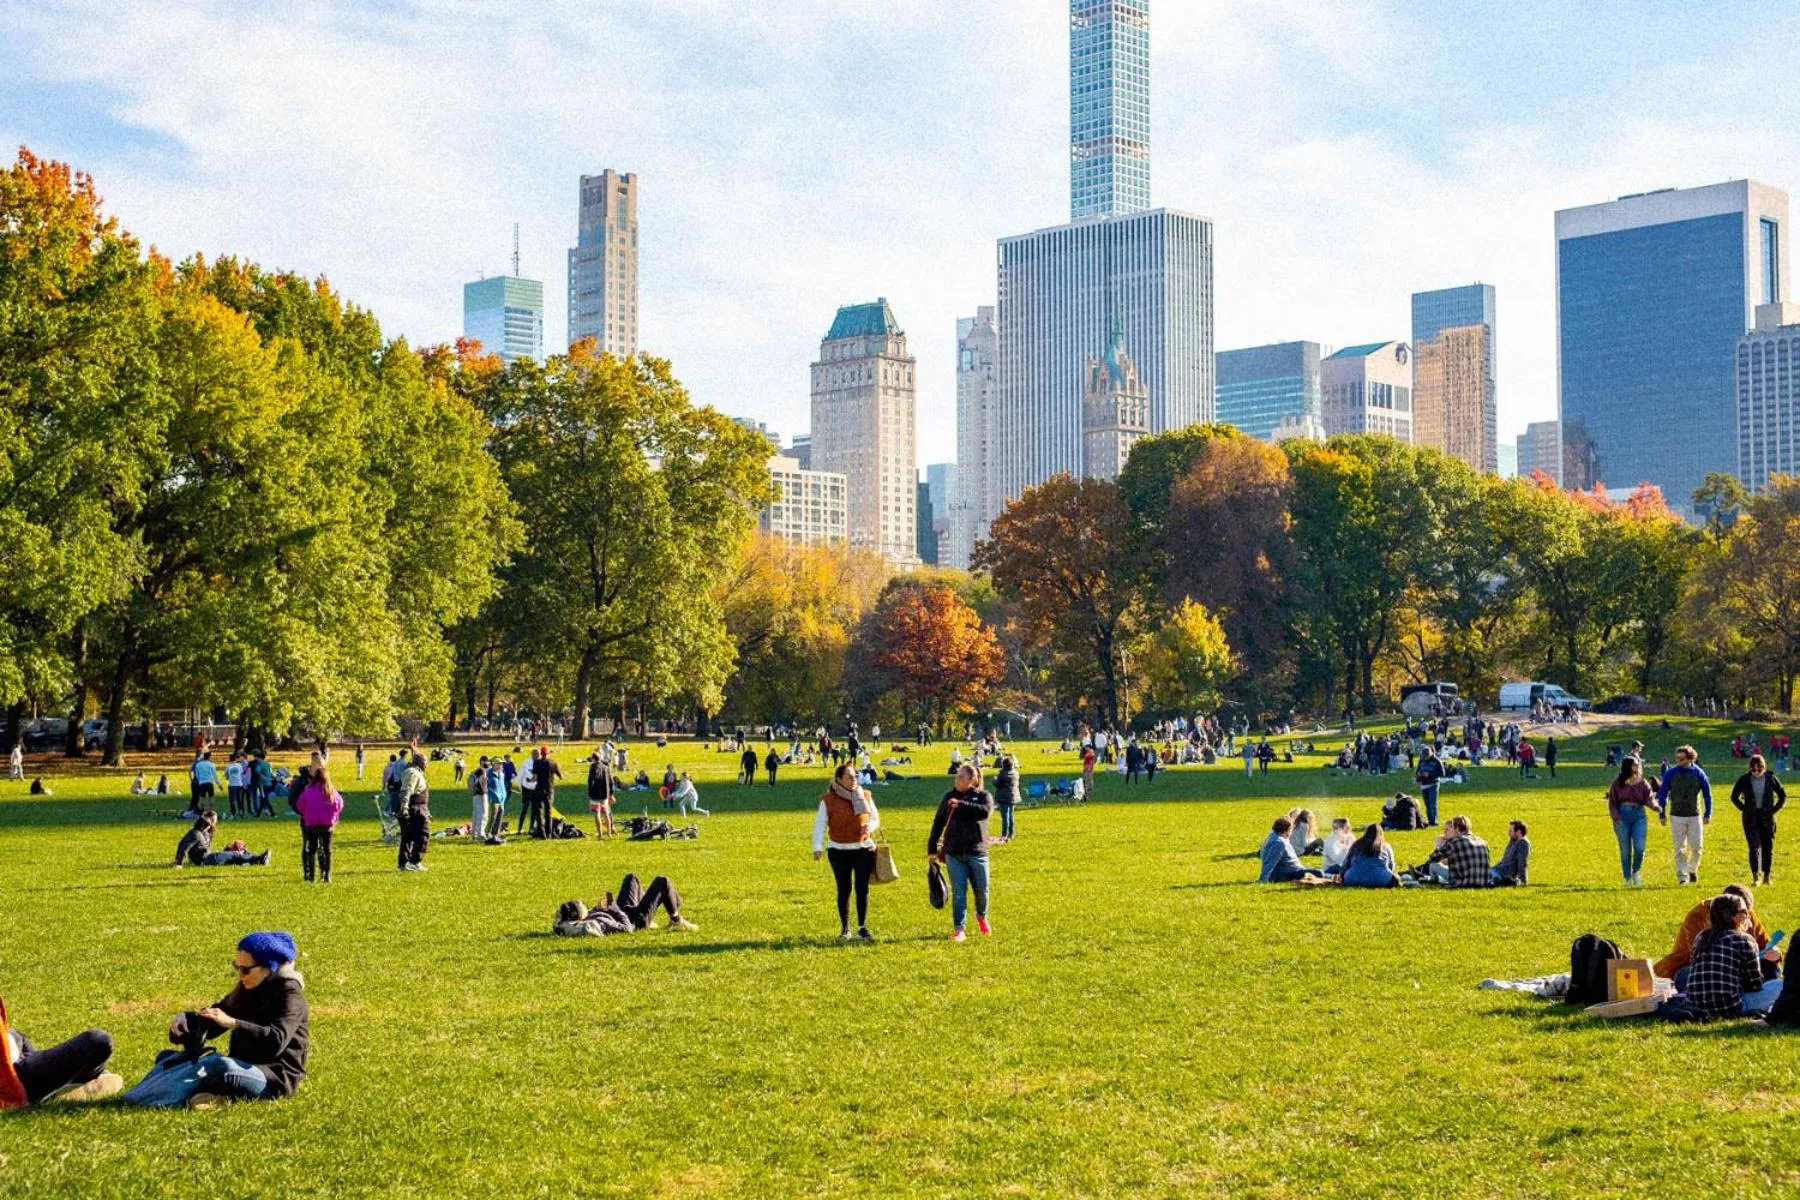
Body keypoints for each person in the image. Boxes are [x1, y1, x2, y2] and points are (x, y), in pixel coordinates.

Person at [122, 932, 309, 1108]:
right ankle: (212, 1096)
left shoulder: (290, 995)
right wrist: (187, 1022)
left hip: (272, 1079)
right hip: (241, 1066)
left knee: (221, 1067)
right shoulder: (247, 989)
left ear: (268, 969)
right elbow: (215, 1020)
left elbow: (276, 1041)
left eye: (245, 969)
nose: (240, 975)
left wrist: (234, 1023)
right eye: (237, 968)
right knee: (167, 1057)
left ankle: (171, 1097)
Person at [1660, 893, 1770, 1021]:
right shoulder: (1745, 940)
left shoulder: (1701, 937)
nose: (1748, 916)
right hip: (1731, 1007)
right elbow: (1755, 984)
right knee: (1779, 986)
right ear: (1735, 916)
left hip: (1695, 1005)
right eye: (1745, 912)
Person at [0, 995, 121, 1106]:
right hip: (14, 1076)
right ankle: (62, 1087)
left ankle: (64, 1083)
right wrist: (16, 1093)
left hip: (15, 1055)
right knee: (99, 1041)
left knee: (17, 1036)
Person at [1654, 884, 1780, 983]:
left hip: (1742, 970)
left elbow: (1765, 942)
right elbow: (1699, 957)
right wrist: (1738, 934)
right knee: (1685, 976)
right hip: (1707, 970)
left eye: (1748, 913)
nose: (1746, 918)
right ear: (1728, 912)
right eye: (1742, 915)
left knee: (1771, 969)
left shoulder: (1746, 913)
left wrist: (1774, 952)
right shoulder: (1697, 917)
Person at [812, 761, 881, 941]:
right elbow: (820, 824)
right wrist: (817, 847)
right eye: (850, 777)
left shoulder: (864, 796)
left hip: (863, 849)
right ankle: (845, 929)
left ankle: (862, 928)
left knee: (862, 888)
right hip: (838, 850)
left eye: (855, 776)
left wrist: (869, 827)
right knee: (844, 889)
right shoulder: (828, 800)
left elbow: (875, 818)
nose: (854, 780)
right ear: (839, 779)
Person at [928, 763, 995, 941]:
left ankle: (981, 915)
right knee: (959, 892)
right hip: (954, 853)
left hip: (977, 852)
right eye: (956, 776)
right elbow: (938, 822)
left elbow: (985, 812)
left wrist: (962, 805)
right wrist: (931, 847)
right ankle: (959, 928)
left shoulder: (983, 796)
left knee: (982, 890)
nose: (956, 780)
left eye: (961, 777)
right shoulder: (949, 797)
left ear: (972, 780)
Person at [555, 874, 698, 934]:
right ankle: (677, 920)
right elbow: (627, 928)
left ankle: (671, 902)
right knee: (663, 882)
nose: (580, 903)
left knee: (631, 877)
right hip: (636, 919)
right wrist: (616, 909)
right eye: (579, 905)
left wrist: (603, 904)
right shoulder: (598, 921)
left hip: (626, 909)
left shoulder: (588, 916)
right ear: (577, 915)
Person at [1658, 745, 1713, 885]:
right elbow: (1662, 794)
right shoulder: (1670, 774)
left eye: (1681, 758)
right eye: (1677, 758)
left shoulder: (1698, 773)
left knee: (1697, 847)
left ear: (1690, 758)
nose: (1678, 761)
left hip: (1694, 815)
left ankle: (1692, 869)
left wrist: (1708, 813)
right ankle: (1682, 877)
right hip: (1676, 815)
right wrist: (1662, 813)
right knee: (1679, 848)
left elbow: (1707, 794)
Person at [1730, 753, 1786, 885]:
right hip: (1751, 818)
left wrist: (1773, 810)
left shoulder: (1771, 778)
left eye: (1759, 769)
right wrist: (1744, 808)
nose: (1756, 772)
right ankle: (1755, 877)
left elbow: (1782, 796)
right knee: (1753, 847)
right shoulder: (1744, 779)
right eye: (1753, 769)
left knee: (1768, 847)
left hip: (1767, 818)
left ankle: (1767, 876)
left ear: (1764, 767)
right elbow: (1734, 797)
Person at [1607, 756, 1661, 886]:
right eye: (1635, 765)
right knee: (1625, 849)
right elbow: (1612, 802)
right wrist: (1616, 817)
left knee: (1639, 847)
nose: (1637, 767)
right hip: (1622, 817)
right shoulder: (1618, 782)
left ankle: (1636, 871)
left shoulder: (1642, 783)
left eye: (1638, 765)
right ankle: (1627, 877)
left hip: (1639, 816)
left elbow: (1649, 797)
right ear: (1628, 767)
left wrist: (1655, 806)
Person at [293, 761, 343, 884]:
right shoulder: (332, 792)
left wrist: (306, 814)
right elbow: (340, 805)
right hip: (327, 825)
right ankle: (327, 875)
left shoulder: (308, 791)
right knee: (327, 850)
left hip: (312, 825)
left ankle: (311, 876)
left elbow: (300, 805)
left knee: (312, 849)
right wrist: (334, 817)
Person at [1417, 816, 1490, 888]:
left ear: (1457, 829)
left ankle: (1433, 881)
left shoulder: (1455, 842)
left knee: (1433, 866)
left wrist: (1438, 846)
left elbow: (1432, 859)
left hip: (1463, 882)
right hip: (1483, 881)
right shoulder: (1483, 841)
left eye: (1453, 828)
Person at [174, 813, 271, 867]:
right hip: (205, 860)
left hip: (208, 858)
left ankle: (251, 859)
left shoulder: (204, 833)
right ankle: (260, 860)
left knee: (232, 851)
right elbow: (183, 846)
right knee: (235, 854)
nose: (214, 824)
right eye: (213, 821)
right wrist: (179, 863)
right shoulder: (195, 833)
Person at [1259, 817, 1326, 883]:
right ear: (1287, 830)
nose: (1292, 832)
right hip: (1288, 874)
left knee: (1320, 871)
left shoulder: (1276, 836)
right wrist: (1263, 879)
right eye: (1291, 829)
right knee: (1319, 873)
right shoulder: (1279, 842)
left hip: (1293, 870)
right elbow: (1270, 862)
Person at [397, 752, 431, 872]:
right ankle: (414, 861)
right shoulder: (413, 773)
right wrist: (404, 807)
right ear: (419, 762)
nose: (427, 765)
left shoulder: (413, 772)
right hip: (415, 808)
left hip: (416, 807)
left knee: (408, 836)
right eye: (425, 762)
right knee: (424, 834)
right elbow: (406, 790)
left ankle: (404, 863)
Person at [530, 745, 562, 838]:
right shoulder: (553, 763)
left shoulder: (536, 762)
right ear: (548, 753)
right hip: (549, 789)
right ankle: (549, 833)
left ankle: (542, 832)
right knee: (548, 812)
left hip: (539, 789)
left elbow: (535, 778)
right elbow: (561, 776)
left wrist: (529, 780)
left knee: (539, 811)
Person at [1490, 820, 1531, 886]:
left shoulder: (1523, 843)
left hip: (1501, 874)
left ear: (1518, 832)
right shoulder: (1513, 841)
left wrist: (1524, 882)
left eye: (1510, 831)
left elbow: (1522, 863)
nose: (1509, 833)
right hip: (1496, 870)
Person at [1413, 746, 1446, 827]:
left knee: (1433, 803)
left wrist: (1430, 774)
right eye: (1424, 756)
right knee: (1427, 804)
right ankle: (1430, 820)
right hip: (1424, 785)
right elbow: (1417, 771)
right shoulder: (1421, 760)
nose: (1425, 758)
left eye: (1427, 756)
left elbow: (1442, 773)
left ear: (1431, 754)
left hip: (1433, 784)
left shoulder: (1436, 761)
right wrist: (1418, 775)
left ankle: (1434, 821)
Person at [586, 749, 616, 838]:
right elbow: (611, 781)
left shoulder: (593, 767)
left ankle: (600, 834)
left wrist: (589, 791)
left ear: (594, 759)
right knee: (606, 813)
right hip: (604, 795)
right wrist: (611, 794)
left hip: (595, 795)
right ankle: (609, 833)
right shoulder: (606, 767)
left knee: (597, 814)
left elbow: (591, 780)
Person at [992, 752, 1020, 842]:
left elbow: (997, 784)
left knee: (1005, 816)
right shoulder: (1016, 773)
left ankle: (1004, 834)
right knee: (1011, 815)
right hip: (1013, 797)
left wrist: (994, 779)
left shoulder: (1003, 774)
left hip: (1004, 797)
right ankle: (1011, 833)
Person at [483, 753, 509, 842]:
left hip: (501, 800)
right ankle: (488, 833)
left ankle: (496, 834)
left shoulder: (501, 774)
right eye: (499, 764)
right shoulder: (488, 774)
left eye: (501, 764)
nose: (501, 765)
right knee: (493, 817)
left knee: (500, 817)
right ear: (493, 764)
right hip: (493, 799)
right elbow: (484, 785)